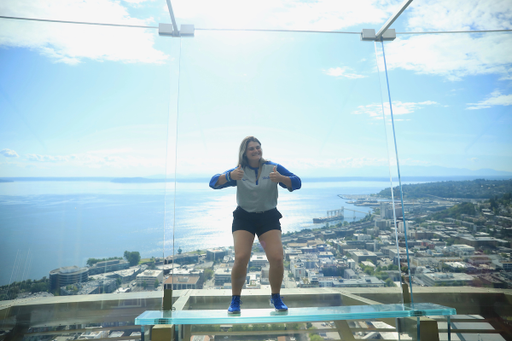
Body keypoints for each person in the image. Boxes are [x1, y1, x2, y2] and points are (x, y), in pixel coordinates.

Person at [209, 136, 301, 314]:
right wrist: (229, 176)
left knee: (276, 258)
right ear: (245, 152)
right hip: (244, 218)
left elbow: (297, 182)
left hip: (268, 218)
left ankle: (275, 297)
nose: (256, 151)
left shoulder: (272, 167)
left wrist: (281, 178)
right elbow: (213, 182)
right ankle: (235, 299)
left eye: (258, 147)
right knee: (241, 257)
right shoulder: (239, 171)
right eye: (251, 148)